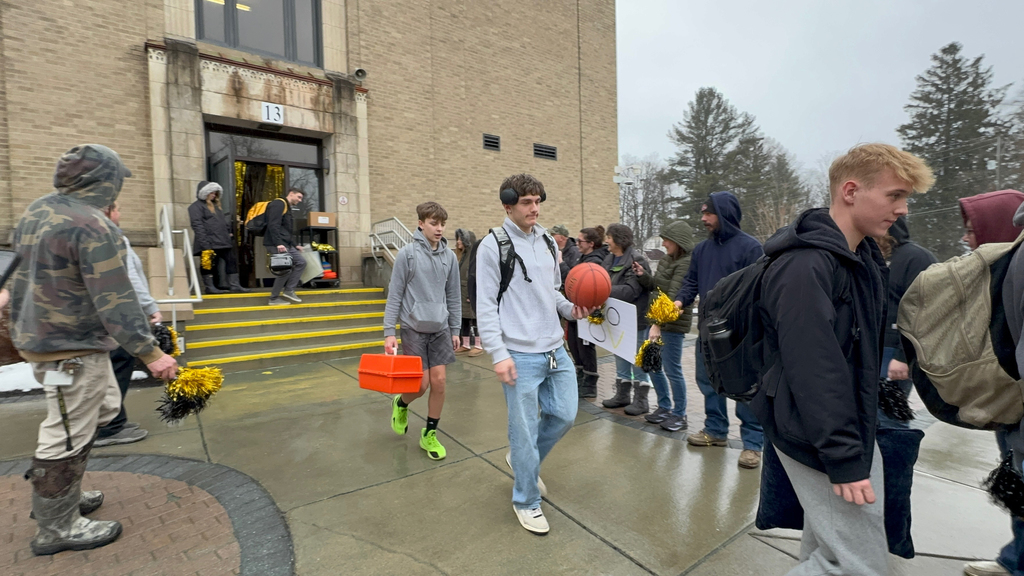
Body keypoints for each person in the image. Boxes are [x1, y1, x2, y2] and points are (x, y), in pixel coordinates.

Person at [752, 143, 934, 576]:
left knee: (828, 552)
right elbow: (815, 370)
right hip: (817, 435)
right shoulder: (805, 265)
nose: (903, 209)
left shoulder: (863, 258)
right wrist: (844, 457)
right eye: (894, 195)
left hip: (845, 426)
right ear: (851, 190)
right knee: (857, 566)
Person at [8, 144, 179, 556]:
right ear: (105, 180)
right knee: (65, 432)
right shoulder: (92, 225)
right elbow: (116, 299)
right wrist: (152, 355)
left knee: (94, 413)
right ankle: (56, 525)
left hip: (50, 339)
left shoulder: (38, 210)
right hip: (71, 347)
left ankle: (63, 491)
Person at [476, 173, 591, 535]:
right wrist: (498, 353)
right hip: (519, 354)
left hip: (555, 347)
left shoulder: (546, 241)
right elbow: (485, 306)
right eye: (527, 202)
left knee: (565, 414)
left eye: (538, 201)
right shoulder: (492, 246)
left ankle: (523, 461)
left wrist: (571, 309)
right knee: (522, 431)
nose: (535, 208)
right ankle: (526, 499)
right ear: (508, 204)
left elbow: (552, 291)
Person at [674, 191, 764, 468]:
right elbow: (691, 281)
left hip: (740, 336)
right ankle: (716, 431)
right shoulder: (702, 249)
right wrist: (679, 301)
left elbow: (759, 289)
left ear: (725, 214)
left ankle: (752, 443)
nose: (703, 219)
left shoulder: (751, 248)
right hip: (707, 333)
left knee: (745, 387)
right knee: (709, 383)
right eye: (703, 213)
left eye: (708, 213)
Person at [960, 188, 1024, 576]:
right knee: (1018, 491)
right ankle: (1016, 558)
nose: (967, 238)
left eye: (972, 229)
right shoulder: (1002, 266)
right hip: (1011, 403)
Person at [384, 202, 462, 461]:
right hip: (413, 328)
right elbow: (395, 294)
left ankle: (429, 434)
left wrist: (455, 328)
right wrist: (389, 331)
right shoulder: (407, 255)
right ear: (421, 223)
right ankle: (401, 403)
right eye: (433, 223)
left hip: (439, 328)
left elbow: (453, 294)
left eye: (442, 224)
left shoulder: (449, 256)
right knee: (420, 384)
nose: (439, 229)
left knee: (439, 382)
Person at [94, 201, 161, 447]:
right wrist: (149, 307)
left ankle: (115, 420)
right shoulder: (110, 239)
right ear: (107, 211)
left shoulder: (103, 237)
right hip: (116, 318)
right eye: (118, 209)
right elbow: (128, 279)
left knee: (113, 369)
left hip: (111, 317)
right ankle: (108, 427)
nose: (121, 213)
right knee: (117, 366)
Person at [633, 220, 694, 432]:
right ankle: (664, 407)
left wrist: (657, 324)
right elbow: (657, 287)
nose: (664, 243)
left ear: (679, 241)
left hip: (672, 324)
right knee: (651, 364)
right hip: (657, 320)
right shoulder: (667, 260)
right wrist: (643, 276)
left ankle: (679, 414)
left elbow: (673, 296)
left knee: (672, 369)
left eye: (667, 240)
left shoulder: (686, 263)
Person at [877, 216, 936, 429]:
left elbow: (926, 311)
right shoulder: (873, 257)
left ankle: (896, 461)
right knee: (873, 420)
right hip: (871, 350)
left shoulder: (916, 258)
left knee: (891, 420)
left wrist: (904, 356)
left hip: (895, 353)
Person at [598, 224, 653, 416]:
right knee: (620, 355)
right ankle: (622, 395)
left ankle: (641, 400)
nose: (607, 241)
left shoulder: (636, 261)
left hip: (636, 320)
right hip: (616, 319)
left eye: (609, 237)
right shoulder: (609, 259)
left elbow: (631, 291)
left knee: (638, 359)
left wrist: (603, 290)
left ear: (619, 239)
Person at [188, 181, 249, 293]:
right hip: (208, 241)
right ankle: (210, 287)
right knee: (208, 263)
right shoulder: (195, 207)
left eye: (215, 193)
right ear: (205, 193)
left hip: (222, 240)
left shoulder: (215, 207)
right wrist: (204, 243)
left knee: (231, 260)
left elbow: (221, 222)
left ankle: (234, 285)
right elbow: (197, 225)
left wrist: (228, 232)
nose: (214, 195)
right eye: (211, 193)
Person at [570, 227, 607, 398]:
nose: (577, 244)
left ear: (591, 244)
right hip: (575, 307)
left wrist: (562, 264)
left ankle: (590, 381)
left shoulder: (595, 262)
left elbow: (582, 283)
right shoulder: (582, 258)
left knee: (585, 345)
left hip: (587, 308)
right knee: (574, 344)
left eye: (580, 241)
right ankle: (580, 374)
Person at [265, 188, 307, 306]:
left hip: (286, 243)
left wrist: (295, 245)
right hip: (276, 243)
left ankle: (289, 290)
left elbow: (286, 230)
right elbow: (273, 225)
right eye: (298, 197)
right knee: (284, 270)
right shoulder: (278, 204)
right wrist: (278, 243)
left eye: (301, 198)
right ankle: (273, 298)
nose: (300, 200)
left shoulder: (287, 208)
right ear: (291, 194)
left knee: (301, 262)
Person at [454, 228, 482, 357]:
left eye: (461, 239)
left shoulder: (474, 256)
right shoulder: (463, 256)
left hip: (470, 293)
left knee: (475, 319)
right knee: (464, 319)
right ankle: (465, 344)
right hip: (462, 292)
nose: (458, 241)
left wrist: (472, 293)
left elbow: (476, 276)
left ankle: (478, 345)